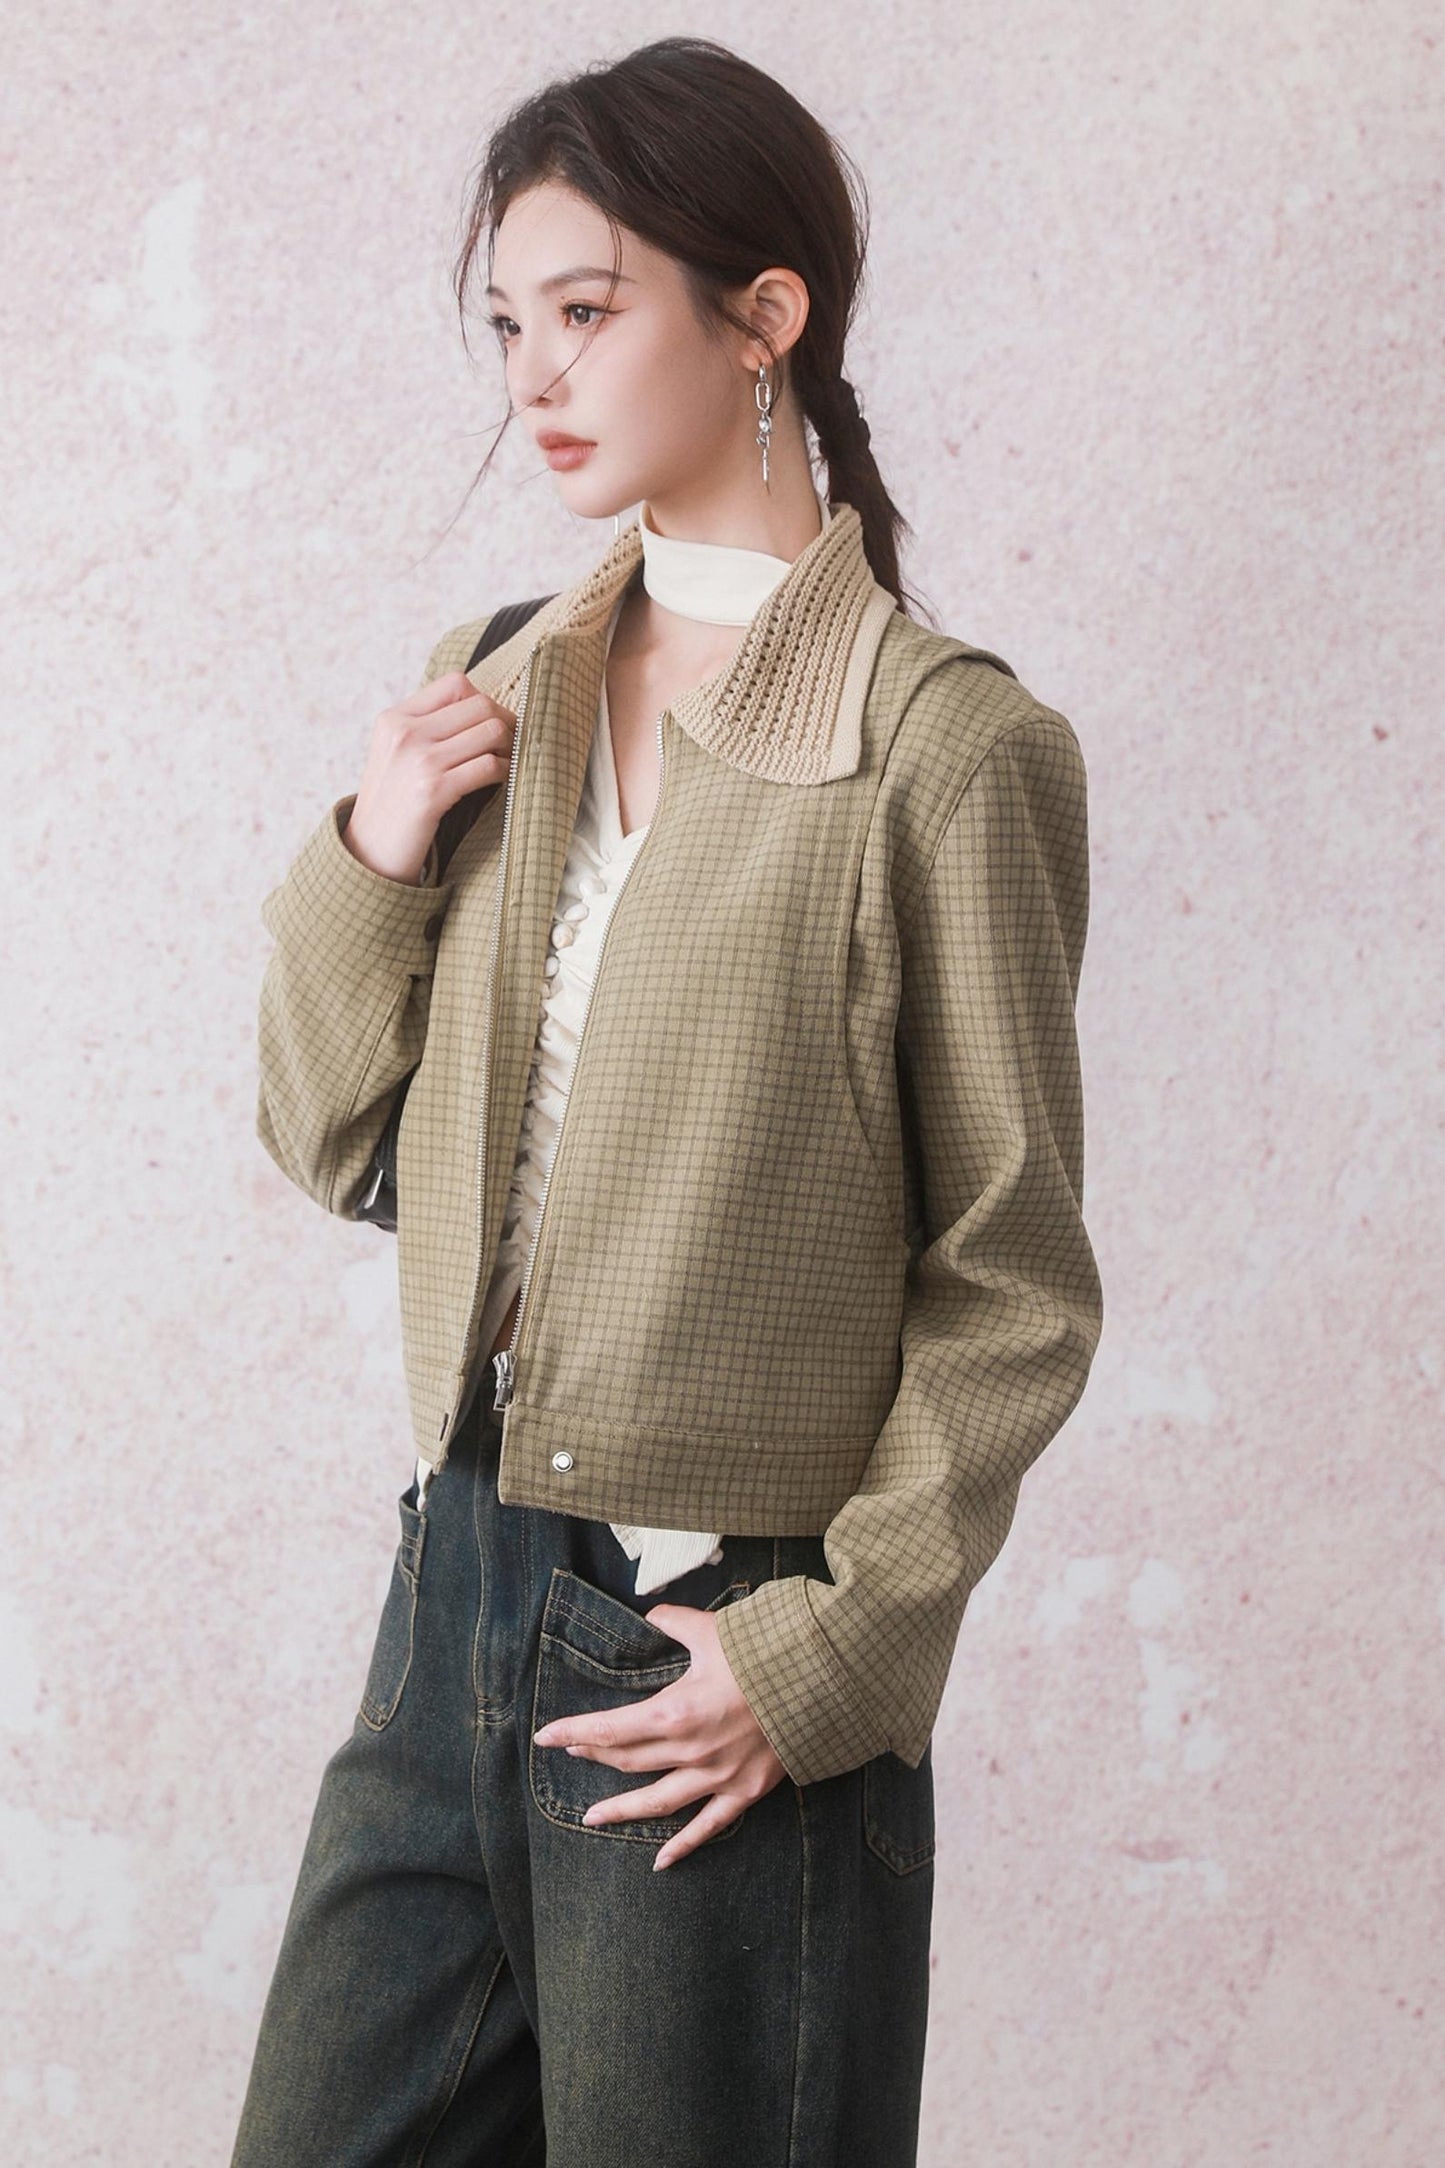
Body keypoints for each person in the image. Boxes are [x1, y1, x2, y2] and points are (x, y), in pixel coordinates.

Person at [230, 34, 1104, 2168]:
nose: (536, 374)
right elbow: (337, 1143)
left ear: (763, 316)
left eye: (587, 309)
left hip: (719, 1628)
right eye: (507, 323)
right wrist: (370, 850)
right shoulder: (501, 678)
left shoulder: (945, 751)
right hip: (453, 1584)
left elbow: (1009, 1282)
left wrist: (828, 1657)